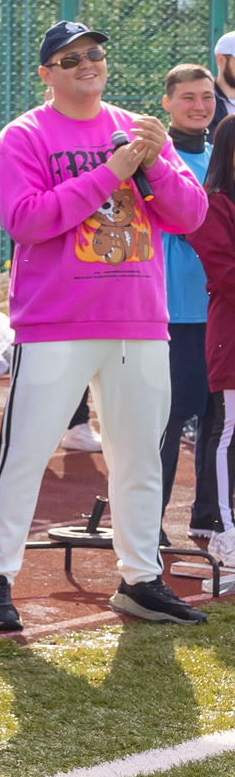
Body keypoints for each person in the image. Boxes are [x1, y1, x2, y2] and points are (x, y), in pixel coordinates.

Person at [0, 22, 209, 631]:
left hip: (139, 320)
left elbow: (190, 215)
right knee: (24, 453)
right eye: (69, 58)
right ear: (46, 73)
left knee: (139, 459)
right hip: (57, 322)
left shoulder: (138, 129)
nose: (86, 64)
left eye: (94, 54)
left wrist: (152, 165)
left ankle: (140, 578)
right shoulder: (23, 134)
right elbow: (25, 221)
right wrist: (110, 172)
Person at [154, 65, 215, 533]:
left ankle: (210, 519)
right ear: (167, 103)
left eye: (207, 97)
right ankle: (146, 524)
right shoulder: (157, 157)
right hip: (172, 312)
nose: (200, 106)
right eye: (189, 97)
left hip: (219, 308)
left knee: (217, 419)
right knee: (167, 422)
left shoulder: (220, 155)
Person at [178, 134, 235, 556]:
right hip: (229, 334)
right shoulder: (214, 203)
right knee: (226, 430)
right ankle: (223, 532)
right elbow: (224, 272)